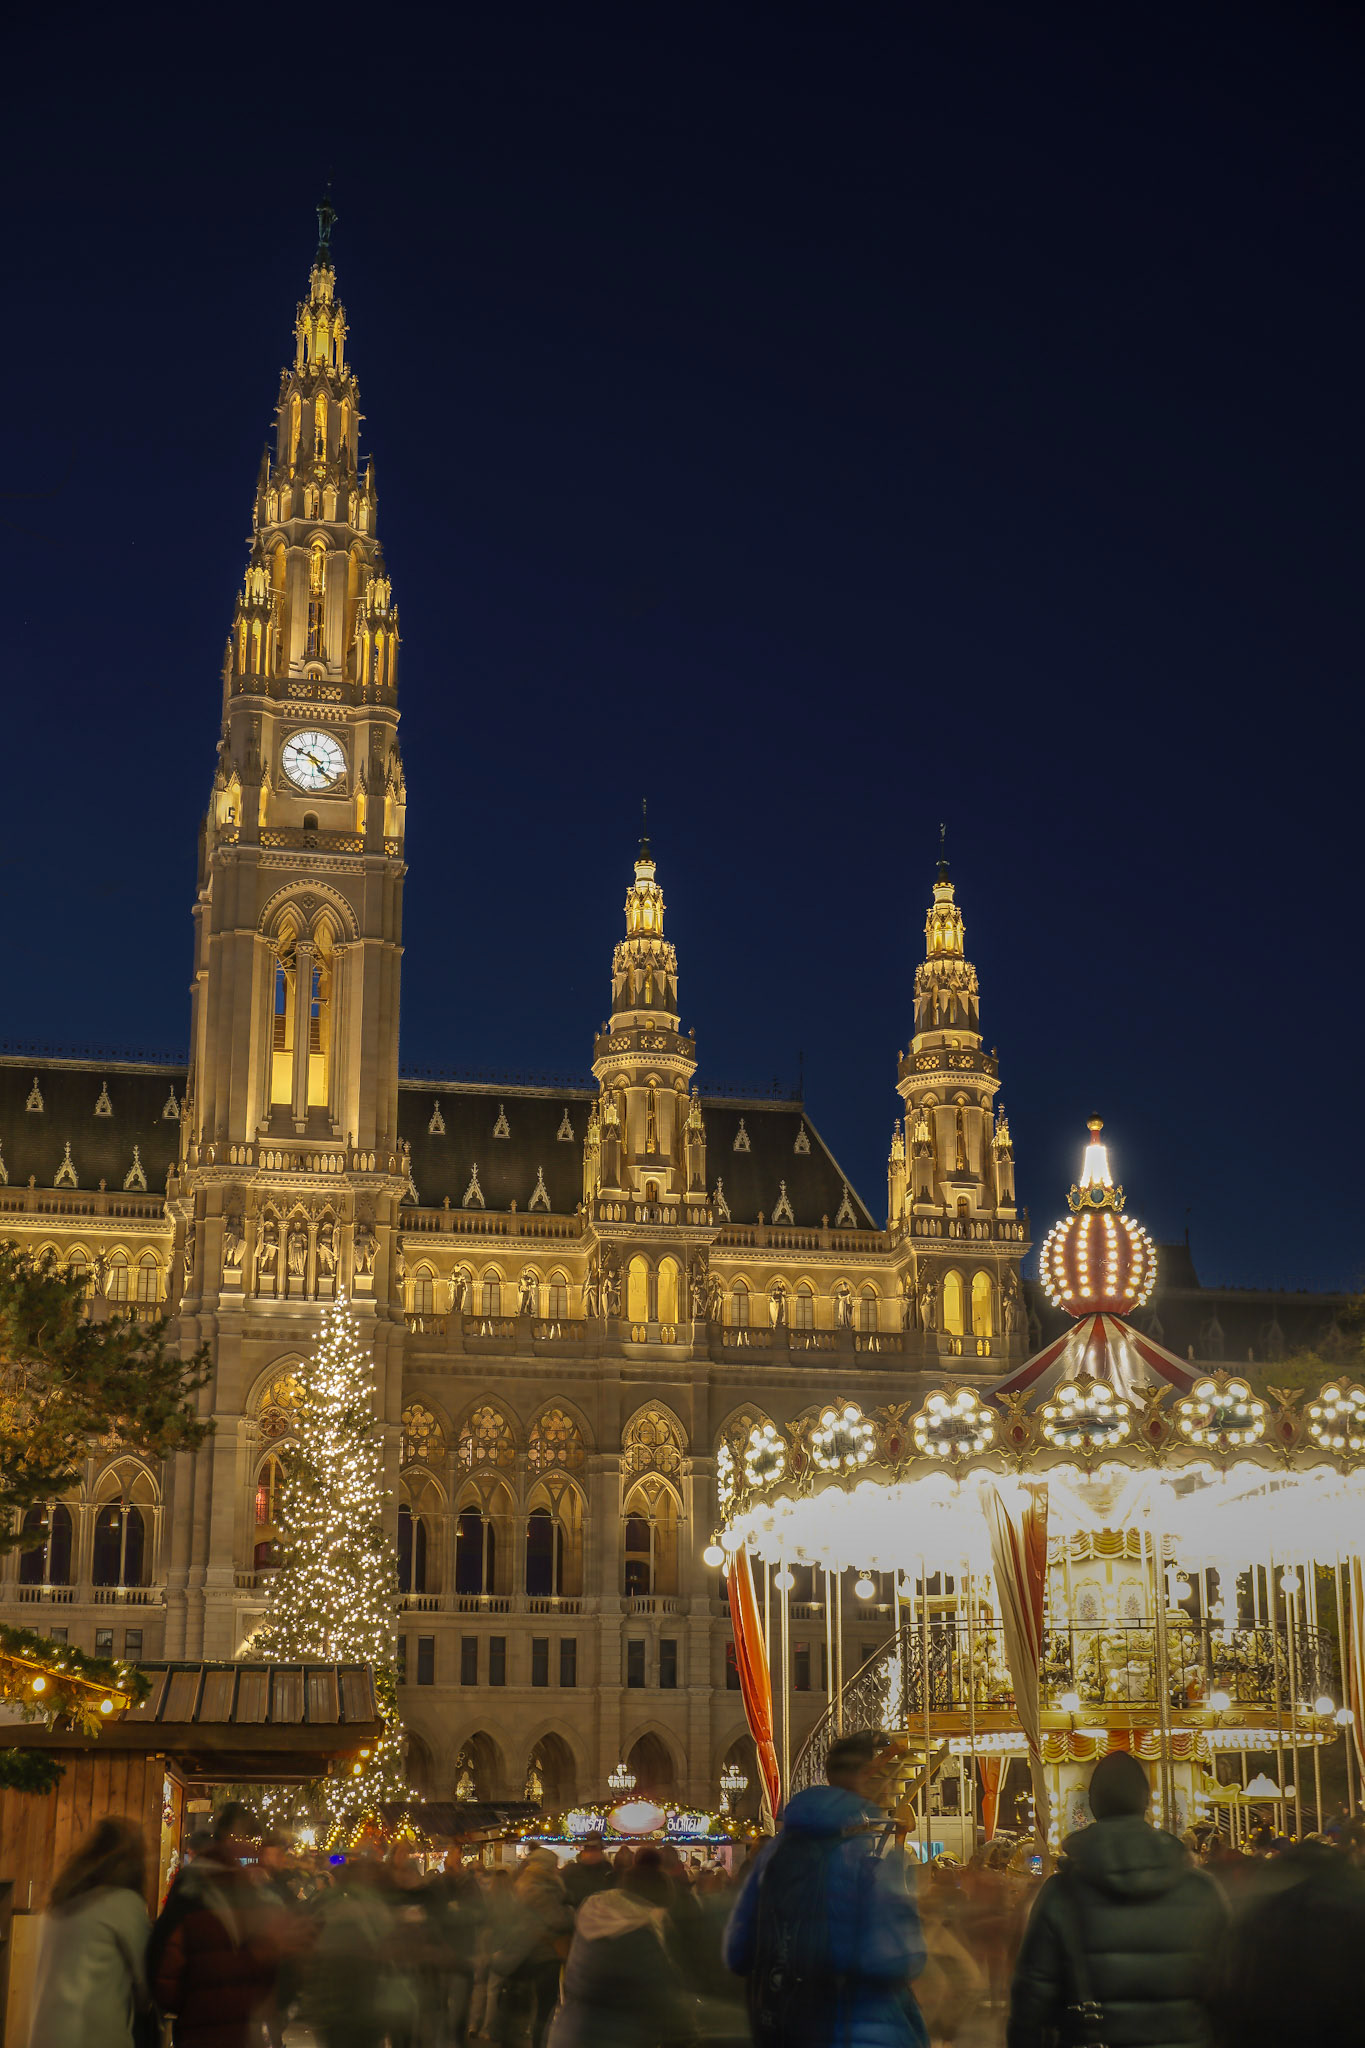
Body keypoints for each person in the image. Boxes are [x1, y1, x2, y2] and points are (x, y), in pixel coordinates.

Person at [1007, 1751, 1227, 2048]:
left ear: (1093, 1806)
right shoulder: (1202, 1889)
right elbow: (1230, 1989)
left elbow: (1032, 1998)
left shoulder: (1061, 1892)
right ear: (1146, 1802)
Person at [724, 1729, 927, 2046]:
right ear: (867, 1775)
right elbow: (900, 1958)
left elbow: (739, 1953)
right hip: (861, 2029)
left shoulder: (775, 1853)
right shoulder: (864, 1855)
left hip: (787, 2023)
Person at [149, 1800, 295, 2048]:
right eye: (245, 1837)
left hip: (212, 2023)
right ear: (229, 1837)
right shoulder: (218, 1885)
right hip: (218, 2022)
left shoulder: (231, 1885)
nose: (249, 1847)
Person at [27, 1816, 150, 2048]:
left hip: (43, 2036)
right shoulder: (124, 1903)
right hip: (95, 2037)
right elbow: (146, 1983)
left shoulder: (58, 1904)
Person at [493, 1847, 573, 2048]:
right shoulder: (543, 1887)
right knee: (541, 2014)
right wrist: (570, 1912)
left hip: (524, 1955)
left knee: (520, 2009)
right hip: (543, 1957)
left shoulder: (522, 1884)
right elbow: (556, 1919)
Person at [562, 1834, 616, 1912]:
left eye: (594, 1848)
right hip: (593, 1915)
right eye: (590, 1848)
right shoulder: (608, 1870)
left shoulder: (608, 1870)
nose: (592, 1853)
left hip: (584, 1914)